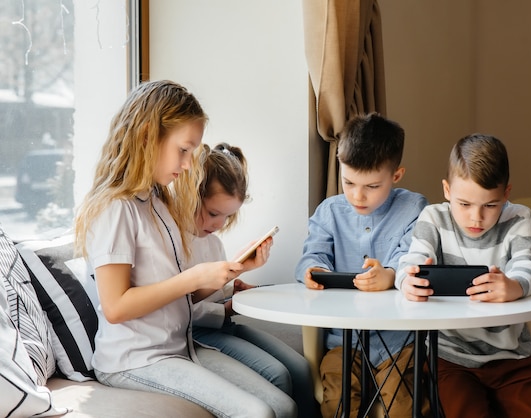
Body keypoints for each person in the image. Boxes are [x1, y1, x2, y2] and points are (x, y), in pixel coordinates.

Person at [74, 80, 297, 418]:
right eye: (184, 150)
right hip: (134, 360)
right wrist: (193, 277)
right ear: (148, 135)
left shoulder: (158, 202)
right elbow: (116, 307)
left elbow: (178, 297)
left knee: (283, 406)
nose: (190, 164)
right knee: (257, 413)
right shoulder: (116, 209)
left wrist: (230, 272)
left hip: (179, 348)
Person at [395, 133, 531, 418]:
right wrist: (408, 281)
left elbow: (527, 264)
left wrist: (515, 286)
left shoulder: (519, 219)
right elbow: (411, 261)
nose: (476, 218)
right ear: (446, 190)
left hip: (512, 358)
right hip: (451, 358)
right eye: (464, 204)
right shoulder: (433, 218)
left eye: (490, 205)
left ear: (506, 193)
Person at [295, 113, 428, 418]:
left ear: (396, 176)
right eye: (349, 182)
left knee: (403, 407)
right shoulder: (330, 211)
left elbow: (414, 256)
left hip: (399, 342)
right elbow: (312, 254)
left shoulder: (414, 208)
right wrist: (314, 271)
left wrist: (391, 275)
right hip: (343, 341)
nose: (357, 195)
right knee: (337, 402)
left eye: (371, 186)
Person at [191, 142, 319, 418]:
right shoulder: (177, 242)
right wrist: (228, 307)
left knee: (302, 368)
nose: (219, 224)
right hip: (200, 333)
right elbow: (184, 308)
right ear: (192, 196)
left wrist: (232, 294)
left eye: (228, 216)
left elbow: (210, 294)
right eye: (214, 213)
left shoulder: (211, 242)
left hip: (223, 324)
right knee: (278, 375)